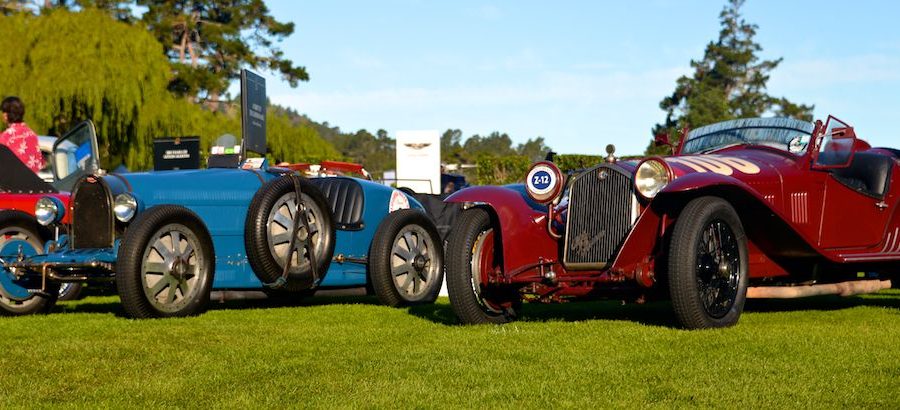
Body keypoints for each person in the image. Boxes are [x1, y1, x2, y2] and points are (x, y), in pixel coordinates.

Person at [1, 96, 44, 173]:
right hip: (32, 182)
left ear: (5, 115)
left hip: (12, 183)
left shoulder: (5, 137)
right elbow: (39, 163)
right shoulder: (32, 134)